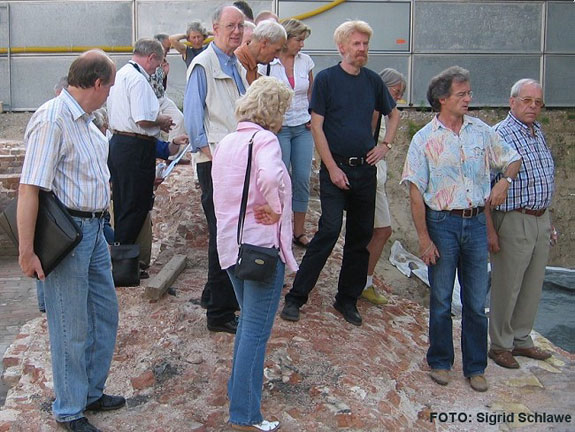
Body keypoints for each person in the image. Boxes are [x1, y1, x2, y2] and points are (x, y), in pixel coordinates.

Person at [17, 50, 125, 432]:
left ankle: (90, 391)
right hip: (68, 236)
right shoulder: (53, 119)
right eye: (110, 86)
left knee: (104, 314)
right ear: (96, 83)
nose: (111, 93)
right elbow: (29, 188)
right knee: (70, 326)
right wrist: (27, 251)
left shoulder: (87, 120)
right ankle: (68, 408)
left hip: (94, 232)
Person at [401, 66, 521, 392]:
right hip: (442, 223)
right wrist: (424, 239)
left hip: (478, 223)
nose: (469, 98)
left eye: (469, 93)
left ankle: (475, 367)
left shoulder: (481, 131)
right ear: (442, 99)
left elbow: (513, 159)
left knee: (474, 301)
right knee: (440, 299)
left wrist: (505, 182)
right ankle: (440, 361)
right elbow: (414, 192)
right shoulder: (424, 140)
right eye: (462, 94)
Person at [280, 20, 399, 326]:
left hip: (365, 171)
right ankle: (296, 297)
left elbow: (394, 113)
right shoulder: (326, 80)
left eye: (365, 44)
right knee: (329, 231)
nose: (362, 50)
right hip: (336, 169)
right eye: (357, 44)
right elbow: (316, 126)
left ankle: (346, 299)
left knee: (360, 238)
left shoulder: (373, 81)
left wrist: (385, 144)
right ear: (342, 47)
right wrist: (331, 168)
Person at [213, 76, 295, 432]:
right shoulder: (266, 140)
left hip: (231, 248)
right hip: (261, 248)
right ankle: (246, 413)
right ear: (275, 110)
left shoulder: (228, 141)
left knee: (247, 324)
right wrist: (275, 207)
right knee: (256, 331)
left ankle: (238, 393)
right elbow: (270, 174)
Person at [184, 5, 248, 334]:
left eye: (241, 26)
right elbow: (194, 120)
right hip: (217, 163)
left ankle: (214, 296)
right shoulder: (203, 64)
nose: (236, 31)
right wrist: (213, 157)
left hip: (234, 160)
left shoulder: (235, 63)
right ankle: (220, 313)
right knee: (224, 236)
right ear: (215, 28)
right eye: (230, 26)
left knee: (226, 232)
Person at [487, 79, 556, 369]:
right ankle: (500, 345)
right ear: (512, 101)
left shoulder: (536, 132)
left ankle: (522, 338)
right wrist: (490, 230)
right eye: (527, 101)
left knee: (532, 284)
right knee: (508, 284)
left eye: (537, 102)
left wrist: (548, 220)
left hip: (540, 219)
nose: (533, 107)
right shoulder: (499, 135)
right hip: (513, 219)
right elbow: (485, 187)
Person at [107, 38, 173, 248]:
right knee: (136, 203)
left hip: (120, 144)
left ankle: (124, 255)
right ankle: (123, 256)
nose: (158, 69)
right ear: (151, 57)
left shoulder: (121, 75)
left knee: (124, 202)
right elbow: (142, 118)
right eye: (158, 63)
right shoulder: (137, 79)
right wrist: (162, 121)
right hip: (135, 147)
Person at [260, 19, 314, 249]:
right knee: (279, 179)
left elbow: (312, 89)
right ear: (287, 39)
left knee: (302, 178)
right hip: (279, 129)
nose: (301, 45)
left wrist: (312, 113)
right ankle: (277, 230)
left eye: (303, 40)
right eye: (298, 40)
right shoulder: (269, 63)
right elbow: (261, 93)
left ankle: (298, 231)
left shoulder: (306, 61)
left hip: (302, 126)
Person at [362, 68, 406, 304]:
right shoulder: (373, 109)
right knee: (380, 230)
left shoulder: (383, 111)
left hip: (378, 174)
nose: (397, 97)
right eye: (395, 91)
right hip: (371, 174)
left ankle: (364, 281)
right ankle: (363, 282)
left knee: (379, 230)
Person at [235, 20, 286, 85]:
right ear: (264, 43)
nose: (277, 56)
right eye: (277, 50)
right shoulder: (237, 63)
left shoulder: (252, 64)